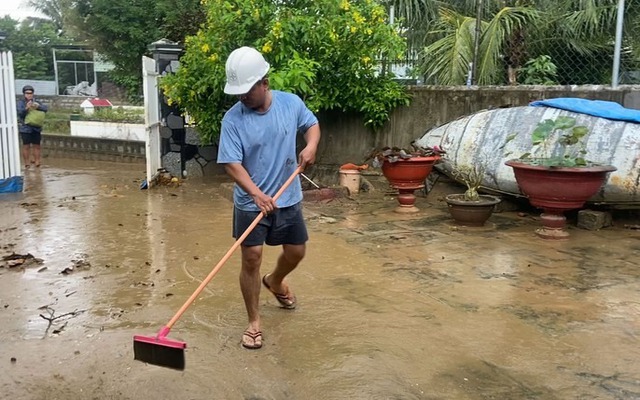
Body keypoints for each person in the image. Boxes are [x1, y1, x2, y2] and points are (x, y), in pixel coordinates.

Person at [217, 46, 321, 350]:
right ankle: (254, 322)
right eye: (237, 92)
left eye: (246, 90)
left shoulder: (290, 104)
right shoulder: (233, 120)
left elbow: (311, 125)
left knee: (297, 252)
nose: (242, 97)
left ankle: (274, 281)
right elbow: (231, 164)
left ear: (264, 81)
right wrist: (257, 194)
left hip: (288, 196)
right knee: (251, 258)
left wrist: (311, 145)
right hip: (251, 202)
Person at [16, 85, 48, 168]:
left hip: (36, 128)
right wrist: (27, 108)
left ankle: (37, 161)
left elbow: (45, 109)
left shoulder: (36, 101)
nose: (29, 95)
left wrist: (38, 106)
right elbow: (20, 113)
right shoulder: (21, 102)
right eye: (27, 93)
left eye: (31, 93)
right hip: (25, 128)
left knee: (37, 145)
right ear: (24, 94)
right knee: (26, 146)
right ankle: (27, 163)